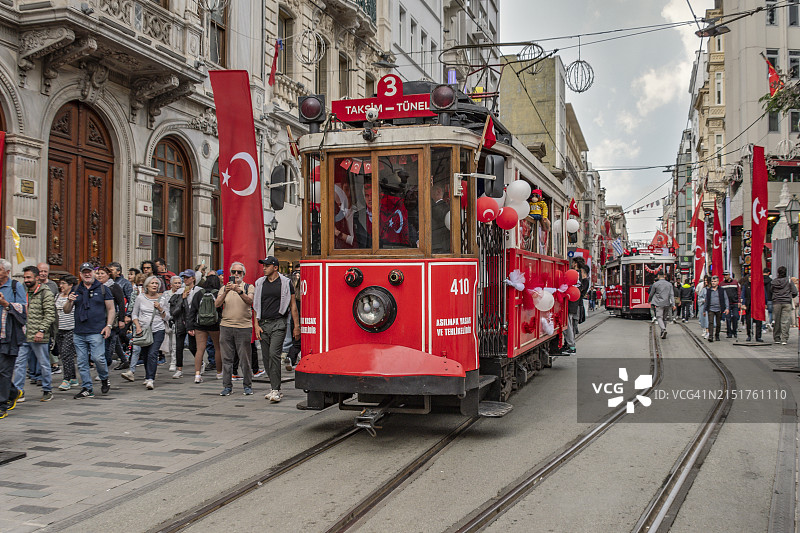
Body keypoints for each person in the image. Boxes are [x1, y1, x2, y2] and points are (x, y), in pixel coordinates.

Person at [64, 262, 115, 398]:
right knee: (81, 361)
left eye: (89, 271)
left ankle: (104, 378)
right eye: (84, 272)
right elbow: (67, 310)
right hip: (79, 332)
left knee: (98, 358)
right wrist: (69, 301)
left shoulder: (103, 289)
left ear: (94, 273)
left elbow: (111, 309)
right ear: (80, 274)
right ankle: (87, 388)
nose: (87, 274)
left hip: (97, 331)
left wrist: (108, 326)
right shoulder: (76, 290)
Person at [254, 256, 300, 403]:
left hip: (279, 323)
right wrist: (255, 325)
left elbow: (293, 305)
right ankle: (274, 388)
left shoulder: (285, 282)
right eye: (263, 265)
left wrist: (296, 326)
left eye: (267, 265)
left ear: (275, 267)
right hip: (263, 323)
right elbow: (255, 306)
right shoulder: (259, 283)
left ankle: (276, 389)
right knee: (266, 358)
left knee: (274, 354)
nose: (264, 268)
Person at [11, 266, 56, 403]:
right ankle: (19, 392)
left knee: (43, 363)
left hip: (39, 335)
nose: (26, 280)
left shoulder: (45, 292)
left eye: (29, 277)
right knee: (19, 364)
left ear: (37, 278)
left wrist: (41, 330)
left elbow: (49, 314)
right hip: (23, 333)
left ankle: (47, 389)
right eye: (25, 277)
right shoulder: (21, 291)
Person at [215, 262, 255, 396]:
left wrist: (239, 290)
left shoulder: (249, 287)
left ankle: (247, 386)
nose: (236, 275)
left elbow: (250, 301)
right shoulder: (224, 288)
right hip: (226, 326)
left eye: (239, 272)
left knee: (245, 359)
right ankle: (227, 386)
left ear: (243, 274)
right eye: (233, 272)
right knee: (226, 359)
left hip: (243, 327)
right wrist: (226, 291)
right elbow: (217, 304)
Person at [127, 276, 167, 389]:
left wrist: (160, 309)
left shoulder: (162, 299)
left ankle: (150, 378)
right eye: (152, 283)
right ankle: (147, 375)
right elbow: (134, 314)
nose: (155, 285)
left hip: (158, 329)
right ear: (147, 286)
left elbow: (167, 317)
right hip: (144, 330)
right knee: (145, 355)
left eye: (156, 283)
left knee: (152, 353)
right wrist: (138, 326)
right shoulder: (140, 298)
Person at [0, 258, 27, 419]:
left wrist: (5, 303)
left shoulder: (15, 287)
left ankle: (2, 404)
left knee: (4, 371)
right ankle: (13, 392)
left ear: (7, 272)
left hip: (9, 336)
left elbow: (23, 310)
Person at [188, 274, 223, 383]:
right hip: (215, 324)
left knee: (200, 349)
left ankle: (197, 374)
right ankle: (219, 373)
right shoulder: (218, 293)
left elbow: (192, 311)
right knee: (218, 348)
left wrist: (190, 326)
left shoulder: (199, 293)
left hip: (200, 325)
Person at [168, 269, 200, 379]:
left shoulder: (198, 291)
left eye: (187, 277)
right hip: (181, 321)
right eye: (184, 277)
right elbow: (174, 310)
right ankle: (179, 369)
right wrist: (182, 298)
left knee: (192, 346)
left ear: (193, 278)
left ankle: (200, 362)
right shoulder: (179, 292)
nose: (185, 279)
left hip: (193, 322)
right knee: (179, 346)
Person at [95, 267, 127, 369]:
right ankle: (124, 360)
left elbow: (121, 303)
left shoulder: (114, 287)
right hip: (99, 319)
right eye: (98, 273)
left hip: (111, 319)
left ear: (108, 275)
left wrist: (122, 319)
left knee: (108, 343)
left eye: (102, 273)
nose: (99, 275)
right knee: (114, 342)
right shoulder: (95, 287)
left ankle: (106, 363)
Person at [55, 275, 78, 390]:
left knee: (65, 353)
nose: (61, 286)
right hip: (59, 329)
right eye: (60, 283)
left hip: (71, 328)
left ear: (70, 285)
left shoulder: (74, 297)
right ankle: (73, 378)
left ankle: (66, 379)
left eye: (64, 283)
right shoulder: (57, 296)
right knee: (64, 354)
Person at [159, 276, 182, 372]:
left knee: (175, 343)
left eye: (179, 283)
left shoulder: (182, 293)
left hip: (178, 320)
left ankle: (174, 362)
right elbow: (162, 305)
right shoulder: (166, 294)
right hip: (168, 319)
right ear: (171, 284)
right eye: (176, 283)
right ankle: (169, 359)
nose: (177, 285)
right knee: (168, 342)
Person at [772, 266, 798, 345]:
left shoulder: (774, 281)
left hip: (776, 302)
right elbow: (795, 292)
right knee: (785, 321)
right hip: (786, 302)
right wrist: (791, 296)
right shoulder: (789, 281)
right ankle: (784, 339)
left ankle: (776, 338)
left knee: (777, 320)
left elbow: (770, 290)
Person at [702, 275, 730, 342]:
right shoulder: (708, 291)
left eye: (715, 281)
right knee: (711, 322)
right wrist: (704, 310)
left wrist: (727, 308)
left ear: (718, 282)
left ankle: (717, 335)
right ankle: (711, 336)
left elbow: (726, 299)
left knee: (718, 323)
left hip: (719, 309)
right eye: (712, 281)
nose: (713, 283)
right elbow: (706, 300)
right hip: (710, 308)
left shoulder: (721, 290)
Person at [648, 271, 675, 339]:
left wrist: (649, 300)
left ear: (658, 276)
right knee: (665, 318)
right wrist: (673, 304)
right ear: (664, 276)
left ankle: (663, 329)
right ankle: (663, 331)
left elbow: (651, 294)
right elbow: (672, 295)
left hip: (659, 303)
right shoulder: (669, 284)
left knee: (659, 317)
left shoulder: (656, 284)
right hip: (667, 303)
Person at [739, 274, 763, 343]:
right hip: (748, 305)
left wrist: (764, 303)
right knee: (749, 321)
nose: (750, 279)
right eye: (749, 277)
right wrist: (743, 304)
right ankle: (749, 335)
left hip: (757, 305)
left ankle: (758, 336)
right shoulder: (746, 285)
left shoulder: (758, 285)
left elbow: (763, 294)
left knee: (758, 321)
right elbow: (743, 295)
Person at [431, 183, 450, 254]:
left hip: (439, 246)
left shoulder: (439, 207)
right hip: (441, 246)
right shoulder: (445, 206)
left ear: (438, 191)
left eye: (431, 192)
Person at [721, 272, 740, 338]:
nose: (725, 276)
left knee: (735, 317)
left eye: (726, 275)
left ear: (729, 275)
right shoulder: (722, 284)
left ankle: (735, 331)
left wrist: (739, 301)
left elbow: (738, 292)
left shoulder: (735, 282)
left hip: (734, 303)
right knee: (728, 319)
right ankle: (729, 333)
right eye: (724, 275)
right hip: (727, 304)